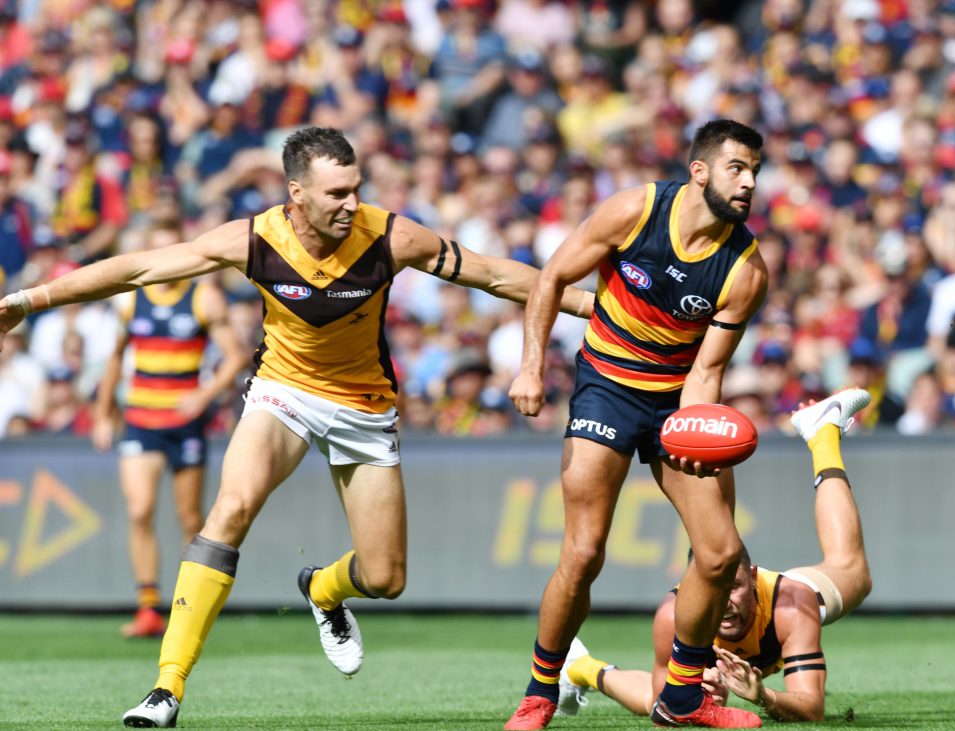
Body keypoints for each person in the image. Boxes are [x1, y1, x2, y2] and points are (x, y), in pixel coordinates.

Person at [0, 126, 594, 729]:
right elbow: (138, 269)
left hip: (364, 405)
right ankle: (166, 687)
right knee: (229, 509)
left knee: (385, 577)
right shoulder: (254, 239)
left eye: (356, 189)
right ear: (296, 194)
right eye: (336, 192)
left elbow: (497, 276)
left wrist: (596, 306)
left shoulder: (392, 237)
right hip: (283, 392)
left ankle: (324, 589)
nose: (351, 203)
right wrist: (31, 299)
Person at [506, 119, 769, 730]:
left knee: (722, 551)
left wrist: (694, 428)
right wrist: (529, 370)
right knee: (584, 550)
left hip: (675, 401)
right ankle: (540, 692)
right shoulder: (634, 210)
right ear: (699, 171)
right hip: (607, 389)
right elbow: (551, 278)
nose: (749, 182)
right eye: (737, 168)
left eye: (755, 171)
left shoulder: (744, 271)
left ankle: (680, 696)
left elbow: (707, 372)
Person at [557, 388, 873, 724]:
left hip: (778, 606)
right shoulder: (673, 615)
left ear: (753, 578)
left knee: (854, 573)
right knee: (657, 698)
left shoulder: (791, 605)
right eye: (714, 588)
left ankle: (822, 432)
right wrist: (694, 693)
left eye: (733, 586)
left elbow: (812, 709)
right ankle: (580, 666)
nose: (723, 601)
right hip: (705, 647)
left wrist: (762, 697)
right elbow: (660, 703)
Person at [91, 221, 248, 639]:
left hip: (185, 422)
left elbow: (235, 357)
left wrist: (204, 394)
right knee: (140, 509)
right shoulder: (131, 300)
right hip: (141, 418)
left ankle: (186, 609)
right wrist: (104, 412)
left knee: (190, 517)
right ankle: (147, 607)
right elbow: (114, 358)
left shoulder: (204, 296)